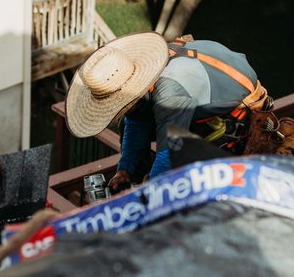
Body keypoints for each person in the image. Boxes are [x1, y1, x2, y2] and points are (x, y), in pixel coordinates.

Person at [65, 33, 268, 192]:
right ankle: (139, 174)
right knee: (128, 123)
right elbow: (136, 121)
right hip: (194, 94)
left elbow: (170, 153)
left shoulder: (169, 92)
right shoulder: (144, 81)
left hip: (235, 108)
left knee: (186, 171)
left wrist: (150, 186)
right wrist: (125, 169)